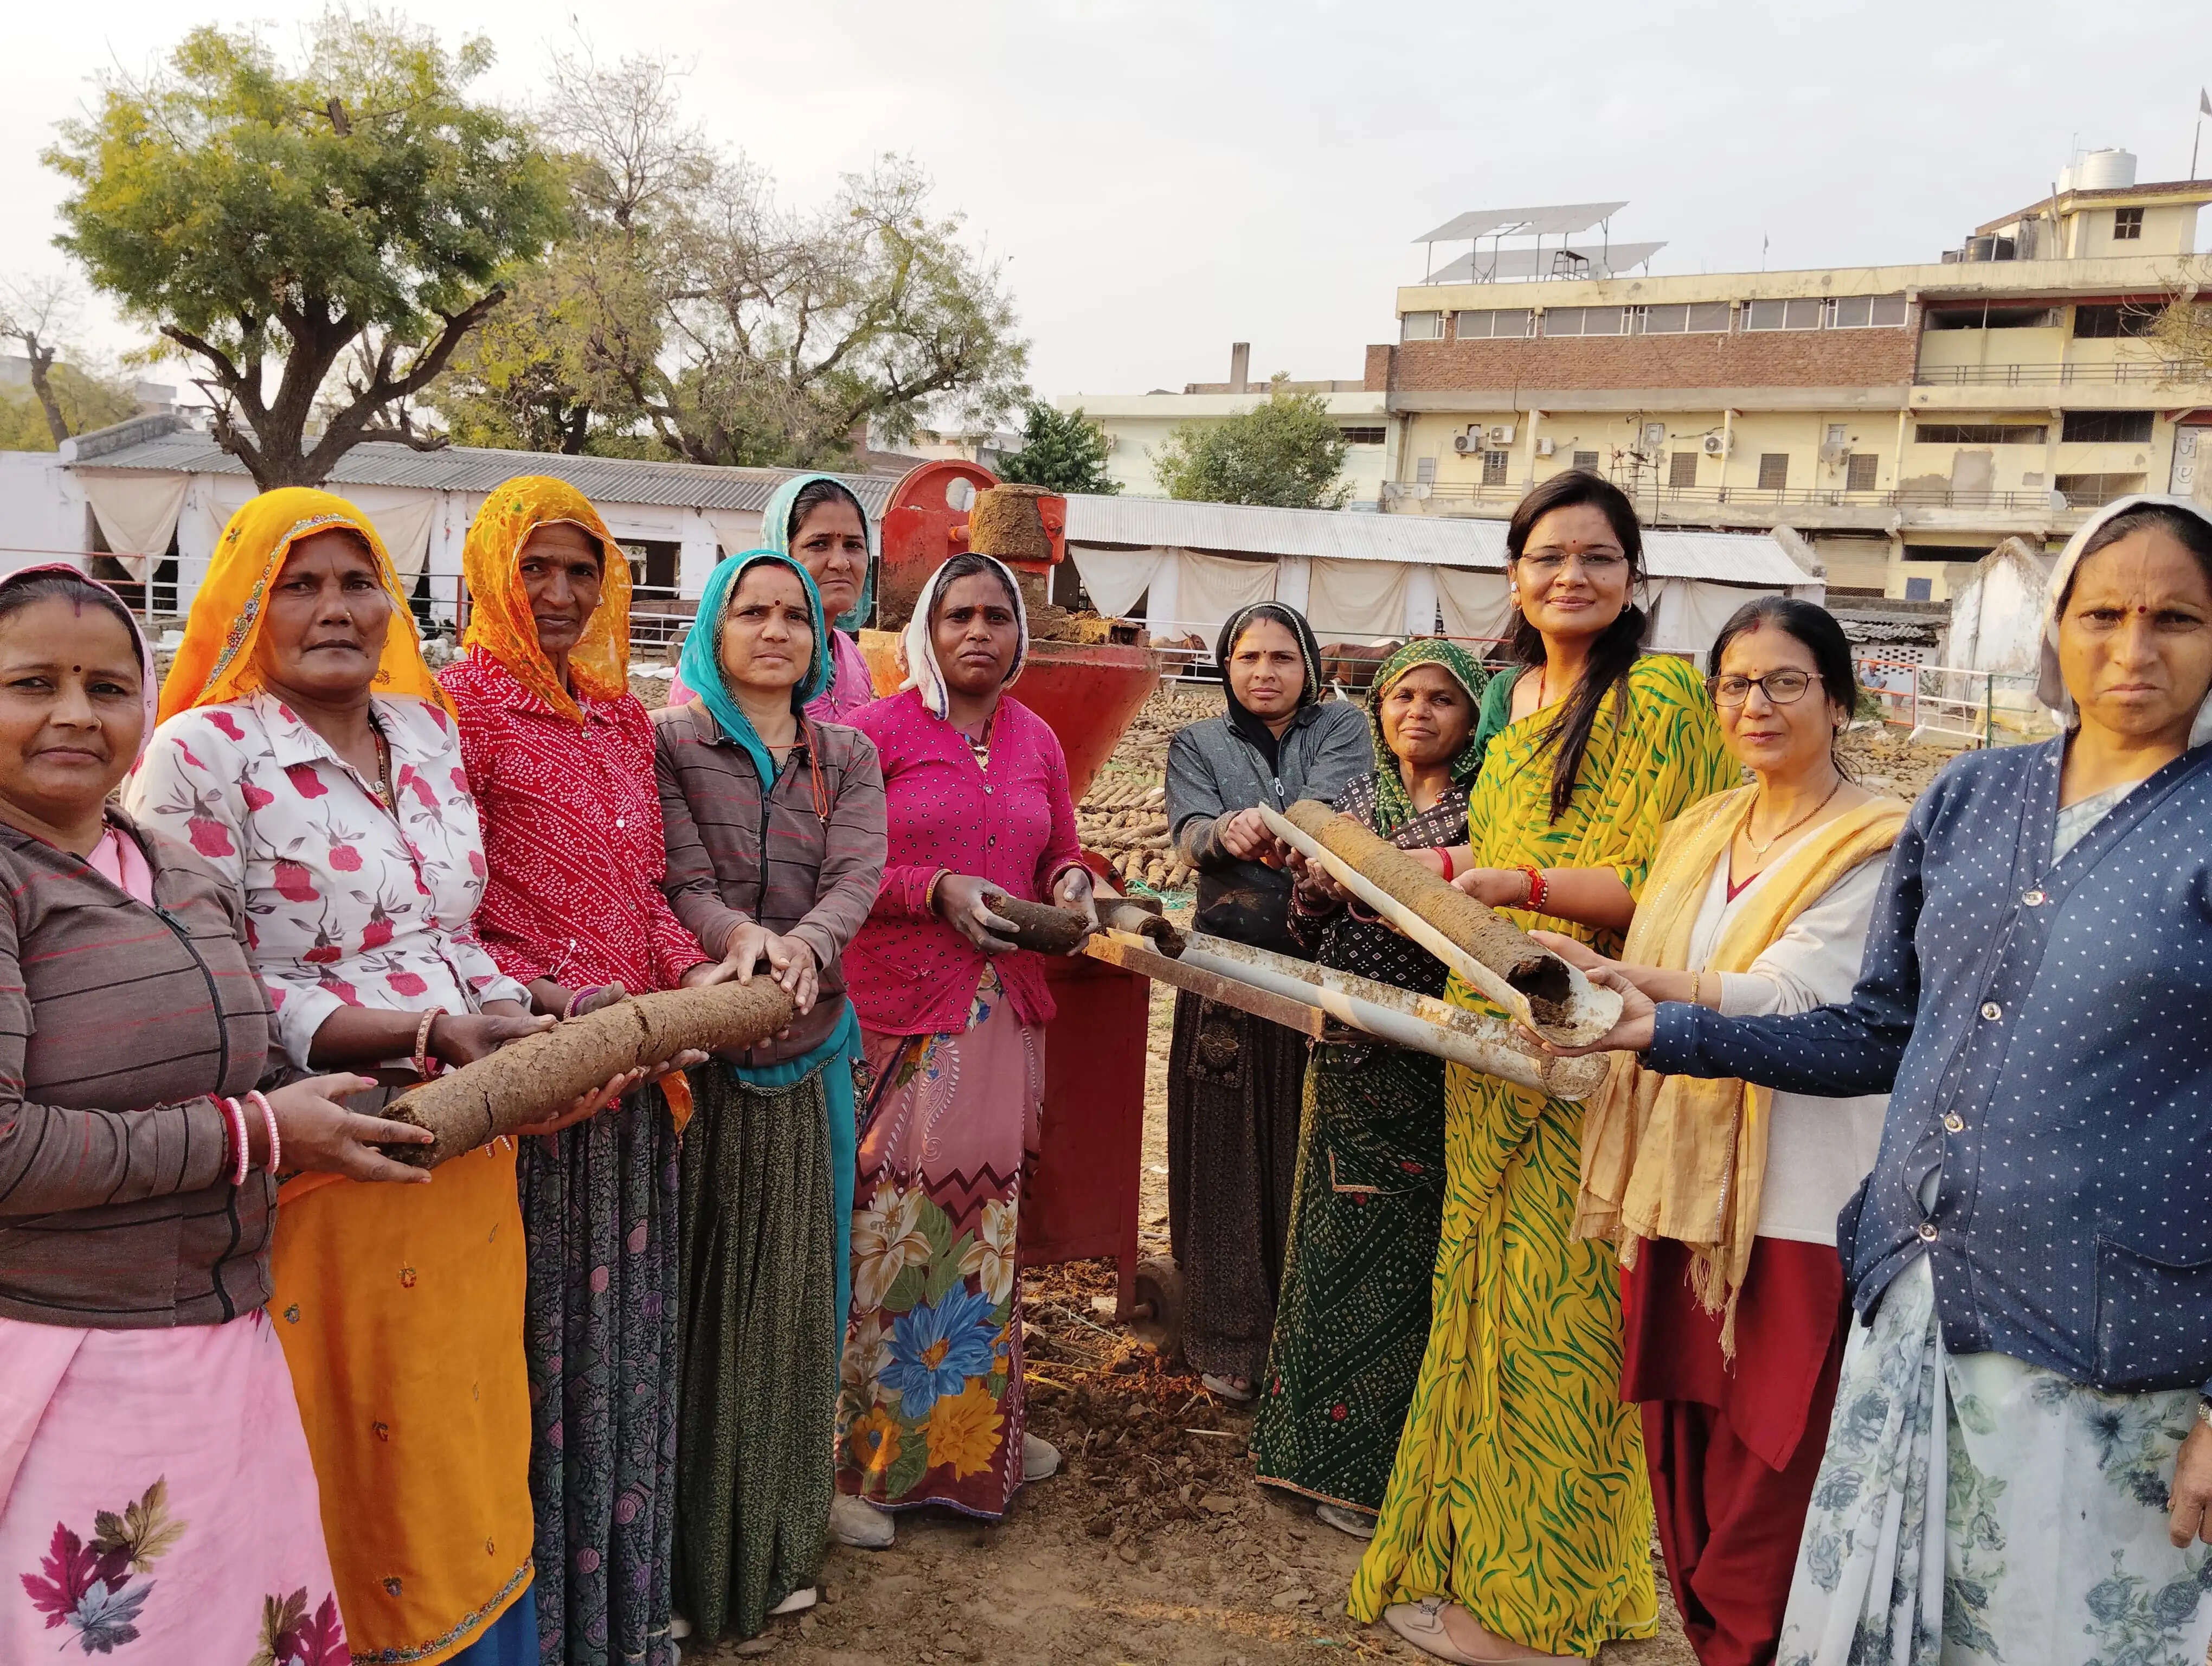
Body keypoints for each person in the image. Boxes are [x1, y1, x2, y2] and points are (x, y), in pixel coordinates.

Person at [1561, 496, 2212, 1666]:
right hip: (1914, 1309)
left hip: (2113, 1355)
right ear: (2055, 627)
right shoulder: (1973, 799)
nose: (2134, 649)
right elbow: (1877, 1033)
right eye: (2103, 613)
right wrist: (1660, 1033)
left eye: (2176, 618)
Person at [126, 488, 586, 1666]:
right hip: (332, 1161)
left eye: (358, 580)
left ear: (393, 600)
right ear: (246, 602)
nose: (336, 608)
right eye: (301, 583)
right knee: (352, 1451)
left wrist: (548, 1011)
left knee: (463, 1438)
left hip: (469, 1150)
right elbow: (209, 982)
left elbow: (454, 929)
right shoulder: (201, 757)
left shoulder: (425, 735)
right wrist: (415, 1032)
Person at [1350, 472, 1734, 1664]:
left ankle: (1547, 1609)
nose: (1573, 576)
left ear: (1634, 579)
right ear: (1513, 575)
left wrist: (1512, 888)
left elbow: (1657, 883)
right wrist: (1442, 870)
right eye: (1549, 556)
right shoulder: (1510, 708)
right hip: (1490, 1041)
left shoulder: (1665, 697)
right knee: (1479, 1298)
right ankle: (1479, 1566)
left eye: (1600, 558)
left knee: (1564, 1323)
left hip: (1594, 1043)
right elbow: (1501, 857)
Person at [0, 563, 415, 1662]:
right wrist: (264, 1135)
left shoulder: (176, 872)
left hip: (224, 1343)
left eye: (106, 686)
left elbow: (240, 1058)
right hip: (65, 1358)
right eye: (32, 683)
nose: (76, 716)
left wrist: (420, 1059)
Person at [1542, 599, 1905, 1666]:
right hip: (1678, 1194)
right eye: (1737, 685)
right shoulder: (1702, 829)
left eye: (1786, 682)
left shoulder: (1881, 841)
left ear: (1838, 700)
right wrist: (1606, 978)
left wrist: (1640, 996)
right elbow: (1679, 966)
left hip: (1799, 1207)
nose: (1758, 704)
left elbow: (1797, 998)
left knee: (1769, 1493)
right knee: (1686, 1483)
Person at [439, 477, 740, 1666]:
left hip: (637, 1090)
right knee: (534, 1360)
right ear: (488, 574)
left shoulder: (621, 720)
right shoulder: (448, 712)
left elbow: (648, 900)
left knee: (622, 1357)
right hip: (530, 1091)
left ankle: (621, 1620)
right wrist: (565, 1008)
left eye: (583, 570)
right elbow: (450, 922)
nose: (560, 595)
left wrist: (694, 983)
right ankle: (540, 1635)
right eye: (536, 569)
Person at [831, 552, 1094, 1547]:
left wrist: (1068, 882)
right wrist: (931, 888)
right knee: (890, 1225)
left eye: (996, 615)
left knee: (985, 1222)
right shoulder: (872, 734)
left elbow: (1059, 843)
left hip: (1004, 1015)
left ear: (1020, 631)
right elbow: (841, 866)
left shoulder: (1036, 738)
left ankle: (975, 1432)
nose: (978, 632)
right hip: (904, 1010)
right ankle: (874, 1458)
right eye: (957, 616)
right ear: (926, 633)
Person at [655, 549, 886, 1640]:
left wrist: (802, 950)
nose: (778, 630)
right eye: (752, 612)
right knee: (706, 1307)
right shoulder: (672, 747)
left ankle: (785, 1537)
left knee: (797, 1302)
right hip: (705, 1062)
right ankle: (699, 1555)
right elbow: (682, 879)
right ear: (715, 626)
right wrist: (740, 942)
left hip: (813, 1052)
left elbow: (857, 876)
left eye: (795, 615)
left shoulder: (848, 754)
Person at [1252, 639, 1490, 1541]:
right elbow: (1306, 933)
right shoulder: (1352, 806)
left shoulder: (1484, 817)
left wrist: (1381, 891)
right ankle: (1304, 1450)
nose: (1417, 713)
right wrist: (1317, 888)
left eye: (1441, 700)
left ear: (1472, 722)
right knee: (1326, 1246)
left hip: (1428, 1065)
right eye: (1401, 697)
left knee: (1400, 1259)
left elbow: (1472, 934)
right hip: (1343, 1054)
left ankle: (1375, 1468)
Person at [1165, 601, 1373, 1400]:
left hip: (1323, 966)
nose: (1264, 672)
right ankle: (1226, 1338)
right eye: (1247, 657)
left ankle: (1302, 1341)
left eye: (1282, 658)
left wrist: (1262, 826)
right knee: (1223, 1148)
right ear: (1227, 666)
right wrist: (1224, 835)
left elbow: (1330, 815)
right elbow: (1189, 834)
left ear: (1310, 668)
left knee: (1306, 1147)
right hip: (1226, 965)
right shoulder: (1198, 742)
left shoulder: (1343, 732)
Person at [667, 473, 879, 720]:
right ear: (781, 551)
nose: (841, 563)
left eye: (854, 545)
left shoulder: (853, 658)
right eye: (819, 544)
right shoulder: (725, 654)